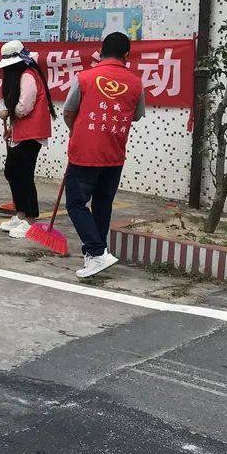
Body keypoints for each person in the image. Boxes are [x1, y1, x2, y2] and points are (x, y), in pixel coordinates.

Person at [63, 32, 145, 278]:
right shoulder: (136, 83)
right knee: (102, 204)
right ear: (127, 55)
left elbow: (69, 111)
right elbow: (137, 115)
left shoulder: (84, 77)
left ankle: (97, 252)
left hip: (84, 152)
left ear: (102, 50)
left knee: (76, 204)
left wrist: (76, 131)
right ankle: (94, 256)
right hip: (114, 153)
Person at [0, 40, 55, 239]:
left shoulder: (28, 76)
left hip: (32, 133)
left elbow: (24, 106)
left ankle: (30, 221)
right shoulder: (27, 74)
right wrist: (12, 128)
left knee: (23, 175)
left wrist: (8, 113)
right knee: (12, 172)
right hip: (24, 132)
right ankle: (21, 216)